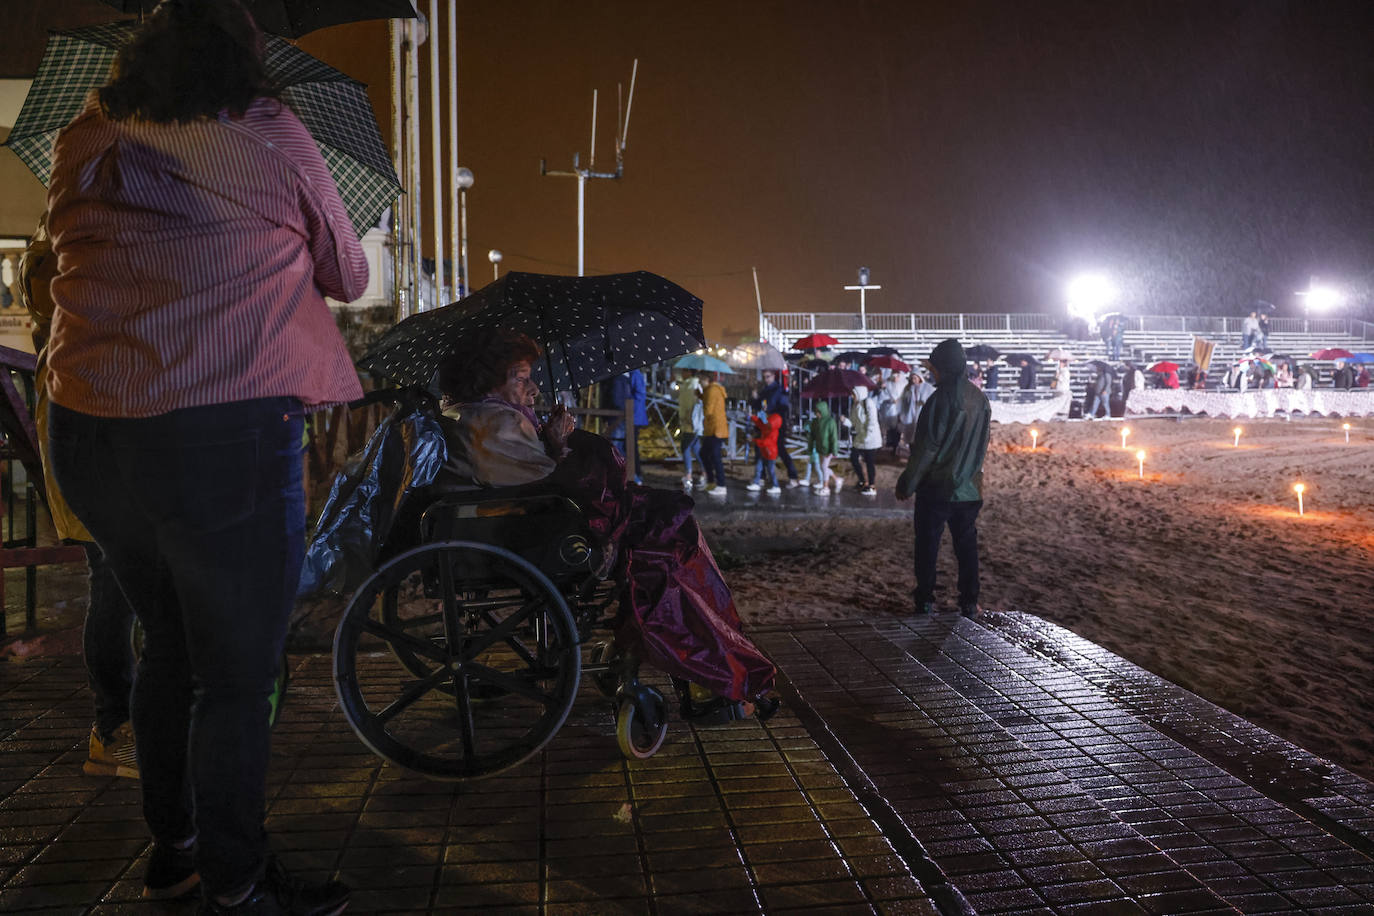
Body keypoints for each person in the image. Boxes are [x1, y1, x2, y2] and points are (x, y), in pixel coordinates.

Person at [43, 2, 365, 911]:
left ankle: (177, 852)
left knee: (171, 645)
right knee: (236, 673)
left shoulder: (90, 127)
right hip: (220, 431)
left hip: (90, 432)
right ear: (246, 58)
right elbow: (349, 270)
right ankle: (237, 882)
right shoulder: (267, 129)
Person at [434, 329, 776, 713]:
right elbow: (543, 482)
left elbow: (531, 476)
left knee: (673, 531)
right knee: (669, 546)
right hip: (536, 534)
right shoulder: (493, 425)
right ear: (488, 379)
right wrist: (560, 448)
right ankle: (712, 673)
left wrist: (552, 443)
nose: (532, 388)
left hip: (530, 525)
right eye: (520, 377)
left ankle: (713, 669)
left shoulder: (483, 415)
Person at [20, 214, 139, 782]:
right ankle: (114, 727)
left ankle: (119, 724)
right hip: (98, 485)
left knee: (119, 596)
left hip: (99, 481)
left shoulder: (67, 291)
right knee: (115, 597)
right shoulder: (67, 291)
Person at [895, 339, 991, 617]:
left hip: (937, 488)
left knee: (927, 544)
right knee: (966, 545)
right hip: (969, 488)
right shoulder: (980, 400)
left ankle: (925, 599)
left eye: (934, 368)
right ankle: (970, 601)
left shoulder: (940, 400)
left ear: (943, 368)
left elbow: (927, 448)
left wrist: (908, 482)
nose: (932, 373)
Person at [756, 369, 800, 486]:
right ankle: (761, 476)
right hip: (767, 422)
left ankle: (792, 476)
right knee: (763, 447)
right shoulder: (765, 390)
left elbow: (783, 407)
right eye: (764, 377)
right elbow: (760, 405)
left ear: (773, 377)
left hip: (776, 423)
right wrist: (756, 399)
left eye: (768, 376)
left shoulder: (778, 390)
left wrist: (771, 411)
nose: (766, 379)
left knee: (779, 448)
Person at [607, 368, 648, 484]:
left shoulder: (634, 373)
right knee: (630, 446)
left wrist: (628, 406)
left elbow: (640, 394)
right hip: (632, 415)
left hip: (634, 416)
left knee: (631, 446)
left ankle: (636, 475)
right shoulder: (632, 373)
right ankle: (635, 474)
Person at [842, 383, 881, 495]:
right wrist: (845, 421)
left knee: (869, 462)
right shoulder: (855, 406)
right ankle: (863, 481)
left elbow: (872, 420)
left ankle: (872, 486)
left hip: (870, 438)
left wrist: (868, 435)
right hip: (860, 438)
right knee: (854, 457)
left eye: (853, 394)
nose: (852, 396)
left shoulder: (867, 403)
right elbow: (853, 423)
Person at [699, 371, 729, 496]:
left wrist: (703, 407)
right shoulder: (710, 390)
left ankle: (721, 485)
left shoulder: (712, 390)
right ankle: (711, 482)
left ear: (707, 379)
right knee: (704, 454)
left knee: (715, 457)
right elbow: (708, 400)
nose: (700, 382)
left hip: (716, 430)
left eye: (701, 379)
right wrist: (700, 395)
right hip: (713, 429)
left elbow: (709, 410)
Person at [803, 401, 839, 493]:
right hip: (820, 449)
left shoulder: (830, 422)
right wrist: (810, 449)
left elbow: (834, 437)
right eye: (816, 411)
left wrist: (834, 451)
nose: (817, 413)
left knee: (823, 467)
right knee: (824, 467)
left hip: (828, 449)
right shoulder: (816, 422)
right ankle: (837, 479)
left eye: (818, 411)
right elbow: (812, 437)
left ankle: (826, 487)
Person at [675, 370, 704, 488]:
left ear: (689, 372)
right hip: (690, 422)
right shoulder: (688, 384)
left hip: (690, 423)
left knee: (685, 447)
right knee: (696, 449)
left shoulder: (692, 385)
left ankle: (688, 476)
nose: (681, 373)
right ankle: (705, 472)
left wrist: (687, 417)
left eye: (684, 371)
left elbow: (691, 404)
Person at [746, 412, 782, 494]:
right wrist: (752, 416)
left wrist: (754, 440)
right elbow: (759, 423)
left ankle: (776, 486)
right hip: (765, 451)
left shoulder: (773, 432)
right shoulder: (767, 427)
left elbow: (766, 442)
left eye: (770, 423)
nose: (768, 424)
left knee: (770, 471)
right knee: (759, 467)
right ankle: (756, 483)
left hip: (770, 453)